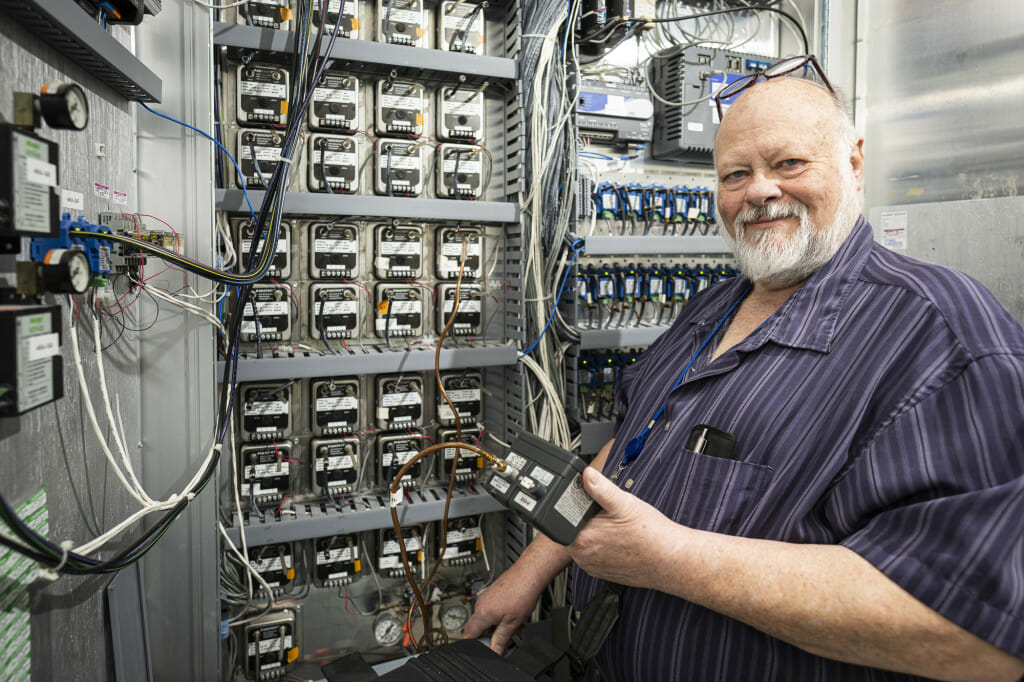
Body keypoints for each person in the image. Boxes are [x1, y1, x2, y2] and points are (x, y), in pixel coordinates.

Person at [464, 72, 1024, 681]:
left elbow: (978, 632)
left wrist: (670, 560)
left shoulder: (939, 332)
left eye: (788, 162)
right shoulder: (712, 307)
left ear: (854, 161)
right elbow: (629, 450)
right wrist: (531, 569)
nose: (759, 191)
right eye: (734, 175)